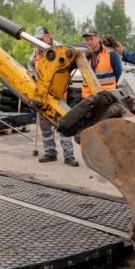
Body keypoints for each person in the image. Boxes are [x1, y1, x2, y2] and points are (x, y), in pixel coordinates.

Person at [27, 26, 78, 166]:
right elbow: (30, 65)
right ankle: (50, 152)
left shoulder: (60, 50)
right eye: (36, 39)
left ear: (48, 37)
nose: (38, 41)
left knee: (63, 124)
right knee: (45, 126)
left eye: (41, 39)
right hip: (43, 95)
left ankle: (69, 155)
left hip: (59, 95)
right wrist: (32, 74)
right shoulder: (37, 52)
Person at [80, 25, 123, 98]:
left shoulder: (110, 52)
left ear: (97, 37)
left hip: (106, 96)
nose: (89, 42)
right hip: (87, 97)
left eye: (91, 39)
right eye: (87, 40)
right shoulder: (83, 53)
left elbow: (118, 70)